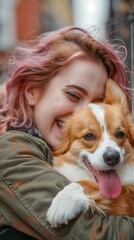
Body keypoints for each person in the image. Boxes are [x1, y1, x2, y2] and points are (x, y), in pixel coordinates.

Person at [0, 26, 133, 240]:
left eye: (97, 103)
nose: (84, 115)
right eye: (73, 94)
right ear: (32, 91)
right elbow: (100, 233)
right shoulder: (9, 149)